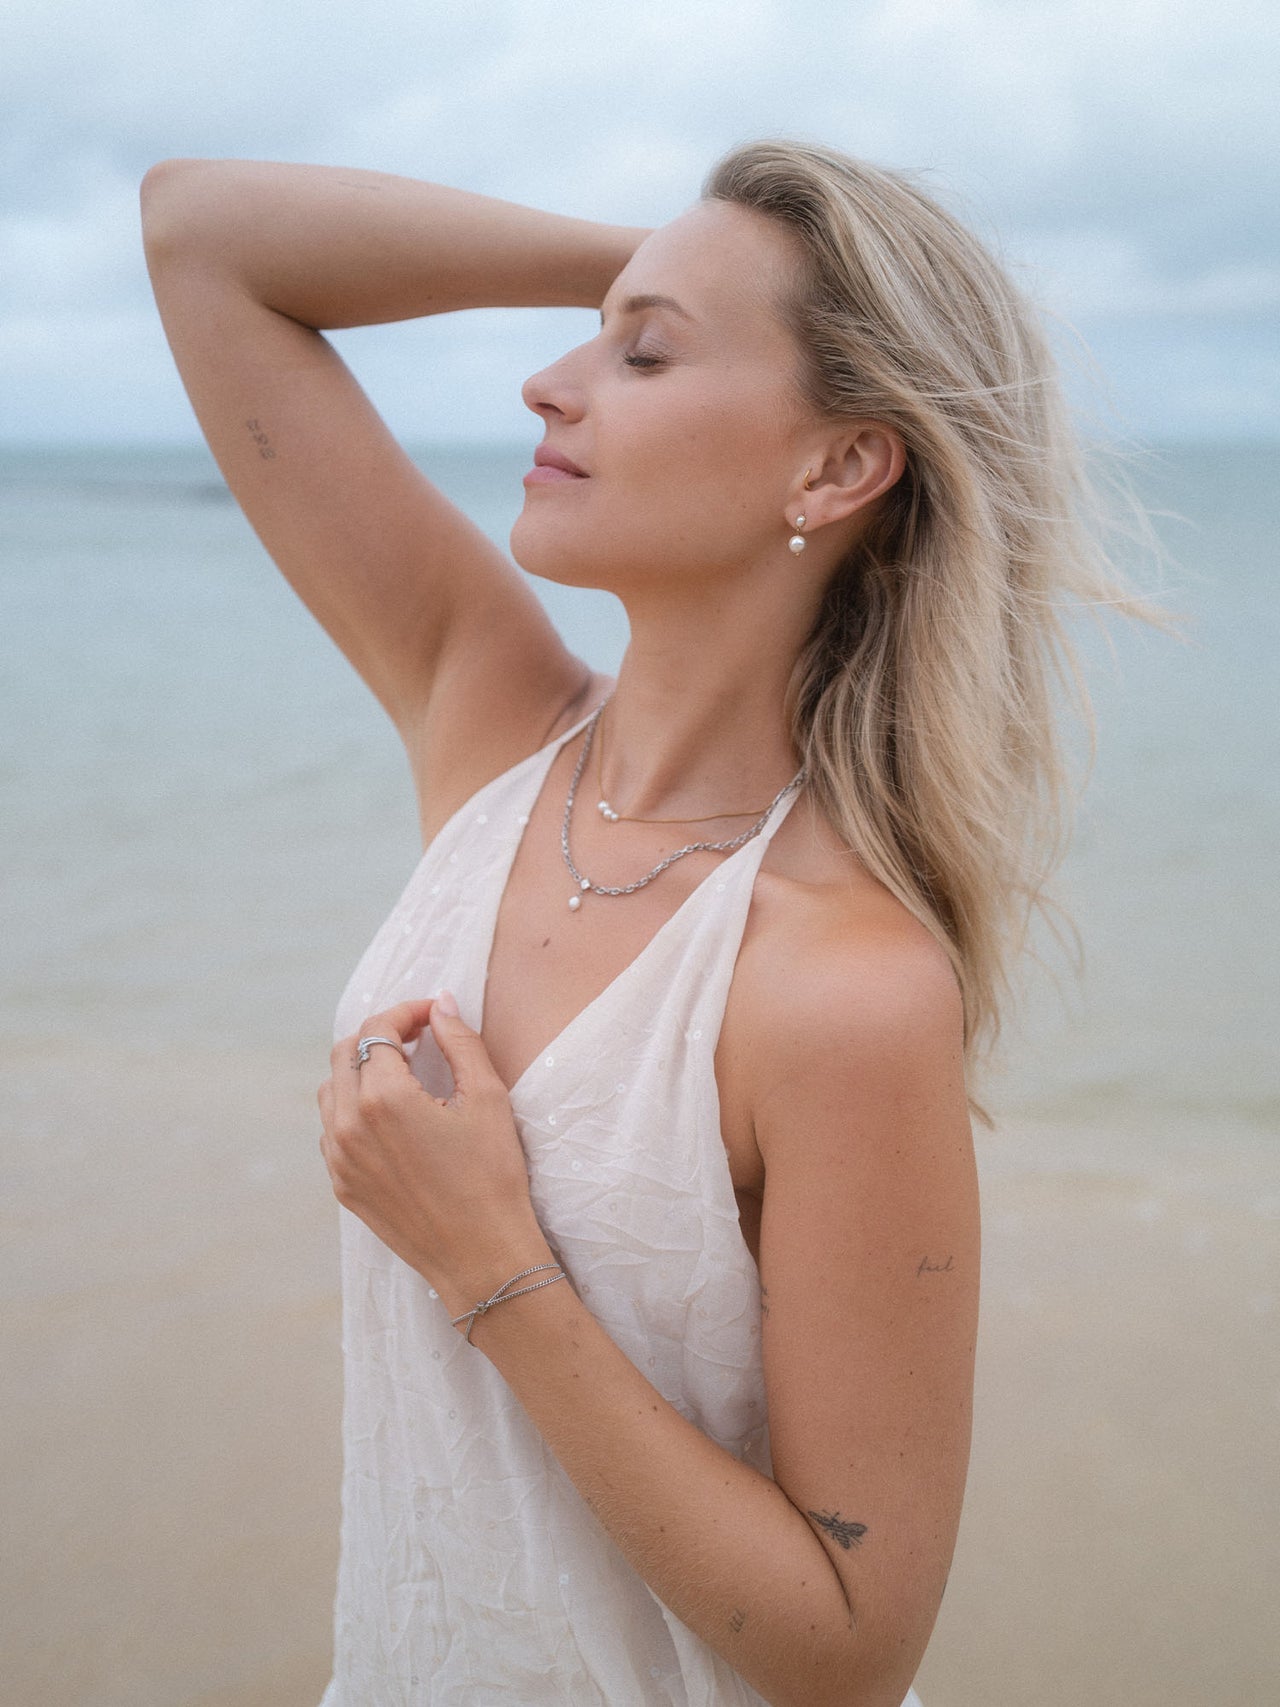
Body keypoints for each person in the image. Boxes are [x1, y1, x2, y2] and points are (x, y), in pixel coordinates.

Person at [140, 138, 1114, 1706]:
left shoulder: (840, 985)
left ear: (834, 469)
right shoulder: (490, 723)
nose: (549, 379)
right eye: (602, 325)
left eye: (643, 351)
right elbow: (203, 235)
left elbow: (850, 1648)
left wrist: (493, 1267)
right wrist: (657, 258)